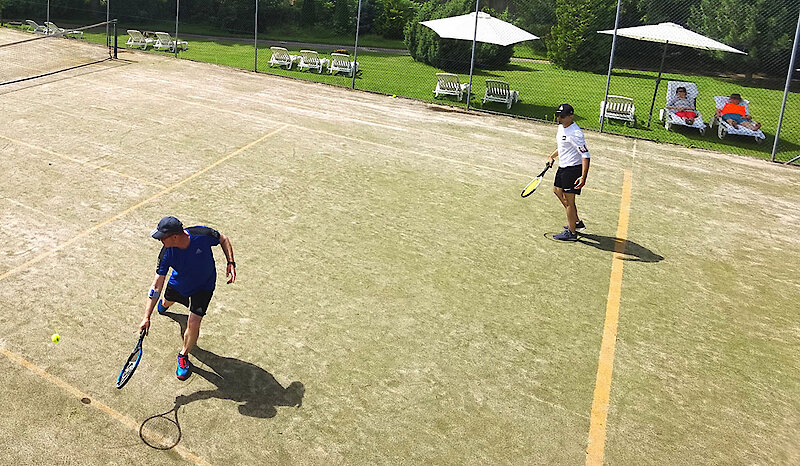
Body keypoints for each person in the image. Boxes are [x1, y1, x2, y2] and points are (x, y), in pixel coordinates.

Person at [139, 216, 236, 380]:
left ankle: (183, 355)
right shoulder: (166, 254)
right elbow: (156, 285)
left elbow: (223, 239)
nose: (160, 240)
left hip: (204, 286)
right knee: (165, 303)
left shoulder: (202, 235)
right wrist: (147, 316)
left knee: (194, 322)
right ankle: (165, 304)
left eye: (162, 237)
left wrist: (231, 262)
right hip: (179, 284)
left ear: (174, 236)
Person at [547, 103, 591, 242]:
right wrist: (551, 156)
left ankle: (572, 233)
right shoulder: (561, 128)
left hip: (572, 169)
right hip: (563, 167)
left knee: (570, 202)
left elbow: (585, 156)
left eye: (562, 116)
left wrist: (583, 177)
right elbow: (562, 147)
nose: (559, 119)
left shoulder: (576, 133)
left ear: (571, 116)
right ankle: (576, 221)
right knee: (556, 190)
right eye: (558, 116)